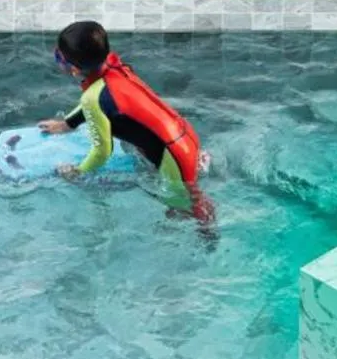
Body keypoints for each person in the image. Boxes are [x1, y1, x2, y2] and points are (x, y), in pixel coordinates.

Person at [38, 21, 216, 228]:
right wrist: (67, 124)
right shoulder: (116, 66)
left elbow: (102, 151)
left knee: (184, 211)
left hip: (174, 157)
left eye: (59, 57)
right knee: (187, 193)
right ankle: (197, 170)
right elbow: (96, 101)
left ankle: (211, 243)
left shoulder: (93, 98)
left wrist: (78, 172)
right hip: (185, 136)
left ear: (74, 70)